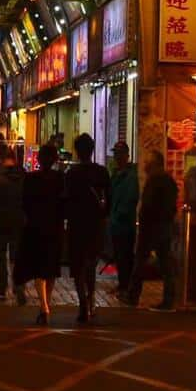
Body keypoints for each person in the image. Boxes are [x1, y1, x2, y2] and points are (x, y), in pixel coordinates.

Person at [16, 143, 66, 324]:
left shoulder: (30, 179)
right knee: (50, 267)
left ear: (39, 159)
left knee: (39, 268)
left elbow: (24, 203)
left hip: (35, 227)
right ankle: (46, 303)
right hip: (54, 228)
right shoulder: (60, 178)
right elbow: (64, 204)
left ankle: (44, 305)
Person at [64, 133, 110, 324]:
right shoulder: (101, 172)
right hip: (95, 223)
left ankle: (83, 304)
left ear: (77, 151)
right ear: (92, 150)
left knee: (77, 266)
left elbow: (65, 199)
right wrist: (103, 215)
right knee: (91, 263)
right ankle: (91, 301)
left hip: (76, 224)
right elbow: (110, 198)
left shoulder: (71, 173)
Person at [129, 149, 179, 310]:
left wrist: (143, 222)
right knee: (165, 264)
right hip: (163, 227)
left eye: (147, 162)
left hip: (151, 228)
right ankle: (169, 298)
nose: (144, 165)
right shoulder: (168, 181)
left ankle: (133, 296)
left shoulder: (155, 180)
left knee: (141, 262)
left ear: (155, 164)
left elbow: (148, 206)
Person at [0, 148, 27, 302]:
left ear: (2, 160)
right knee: (17, 257)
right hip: (19, 222)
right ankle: (19, 287)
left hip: (0, 222)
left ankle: (1, 288)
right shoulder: (24, 177)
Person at [107, 142, 139, 301]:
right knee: (119, 257)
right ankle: (122, 284)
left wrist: (118, 215)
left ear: (126, 155)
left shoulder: (130, 176)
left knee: (125, 257)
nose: (116, 157)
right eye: (115, 154)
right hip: (116, 223)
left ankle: (125, 286)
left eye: (119, 154)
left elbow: (130, 199)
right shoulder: (116, 174)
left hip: (125, 225)